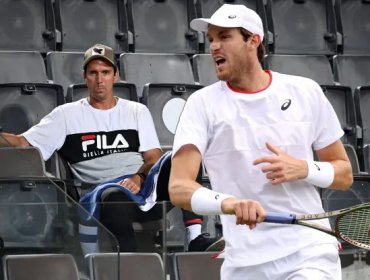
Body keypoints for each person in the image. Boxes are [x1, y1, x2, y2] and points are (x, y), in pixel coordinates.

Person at [169, 4, 353, 280]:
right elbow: (179, 187)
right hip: (243, 261)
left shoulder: (305, 91)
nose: (214, 47)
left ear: (253, 40)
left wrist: (305, 168)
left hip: (308, 251)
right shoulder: (201, 105)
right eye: (211, 40)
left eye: (224, 37)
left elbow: (344, 173)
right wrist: (228, 203)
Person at [0, 43, 224, 253]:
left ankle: (195, 238)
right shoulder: (65, 115)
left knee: (184, 155)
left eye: (105, 72)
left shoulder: (136, 111)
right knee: (114, 195)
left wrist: (139, 178)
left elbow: (153, 156)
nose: (99, 80)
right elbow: (22, 142)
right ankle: (129, 263)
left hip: (143, 187)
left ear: (115, 76)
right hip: (103, 194)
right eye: (93, 73)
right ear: (84, 77)